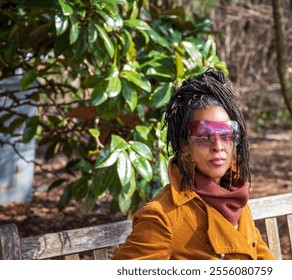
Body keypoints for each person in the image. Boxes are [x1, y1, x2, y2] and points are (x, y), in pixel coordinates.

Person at [112, 70, 275, 260]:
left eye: (226, 135)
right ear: (185, 146)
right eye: (204, 137)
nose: (218, 146)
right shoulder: (162, 217)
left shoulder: (235, 196)